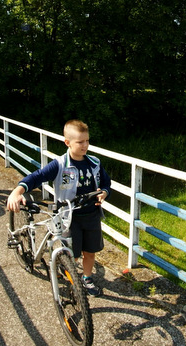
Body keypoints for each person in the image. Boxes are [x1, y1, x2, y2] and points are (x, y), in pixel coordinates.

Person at [6, 120, 111, 296]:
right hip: (69, 218)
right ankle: (72, 277)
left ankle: (87, 278)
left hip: (91, 215)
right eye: (80, 142)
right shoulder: (60, 164)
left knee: (90, 252)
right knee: (73, 254)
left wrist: (105, 193)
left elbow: (106, 183)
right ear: (67, 142)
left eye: (87, 141)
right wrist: (17, 191)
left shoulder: (94, 163)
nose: (85, 145)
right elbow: (36, 177)